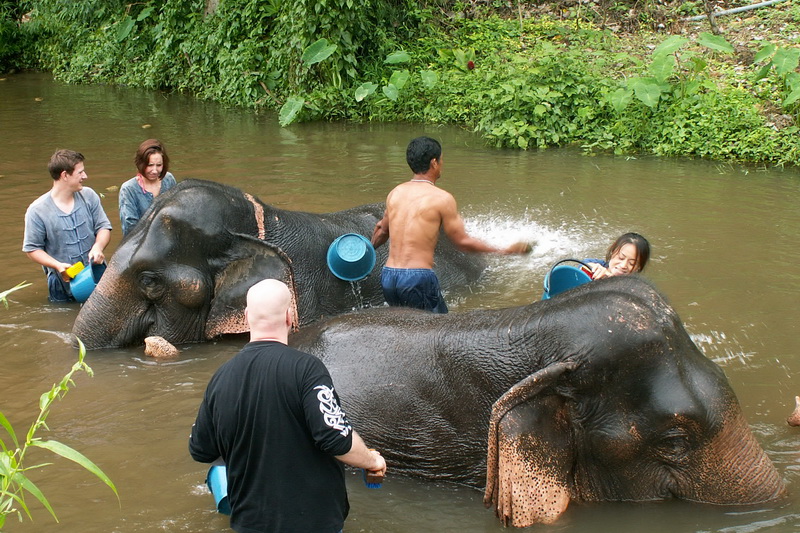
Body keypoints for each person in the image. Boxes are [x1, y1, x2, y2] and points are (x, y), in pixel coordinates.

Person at [189, 279, 386, 533]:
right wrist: (371, 460)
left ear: (247, 317)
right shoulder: (307, 370)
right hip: (314, 523)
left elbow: (201, 450)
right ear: (289, 316)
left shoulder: (221, 377)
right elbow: (336, 438)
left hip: (250, 523)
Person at [371, 136, 531, 313]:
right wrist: (503, 251)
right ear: (434, 162)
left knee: (405, 329)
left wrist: (364, 252)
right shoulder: (442, 198)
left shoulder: (395, 193)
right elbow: (463, 242)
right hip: (417, 278)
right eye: (441, 160)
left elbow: (381, 231)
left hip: (389, 276)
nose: (441, 164)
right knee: (437, 333)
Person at [22, 149, 112, 302]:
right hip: (61, 283)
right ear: (64, 175)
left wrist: (98, 247)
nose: (85, 176)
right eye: (80, 173)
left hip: (97, 273)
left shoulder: (88, 196)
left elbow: (103, 227)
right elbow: (32, 249)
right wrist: (57, 265)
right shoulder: (37, 211)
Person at [118, 139, 177, 236]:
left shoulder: (169, 179)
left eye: (159, 165)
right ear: (141, 164)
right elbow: (130, 228)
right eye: (150, 165)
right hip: (143, 243)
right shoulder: (128, 189)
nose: (154, 171)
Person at [584, 232, 650, 279]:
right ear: (612, 252)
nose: (623, 265)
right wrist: (595, 269)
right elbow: (583, 265)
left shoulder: (636, 288)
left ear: (638, 267)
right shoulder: (596, 265)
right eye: (621, 258)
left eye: (632, 263)